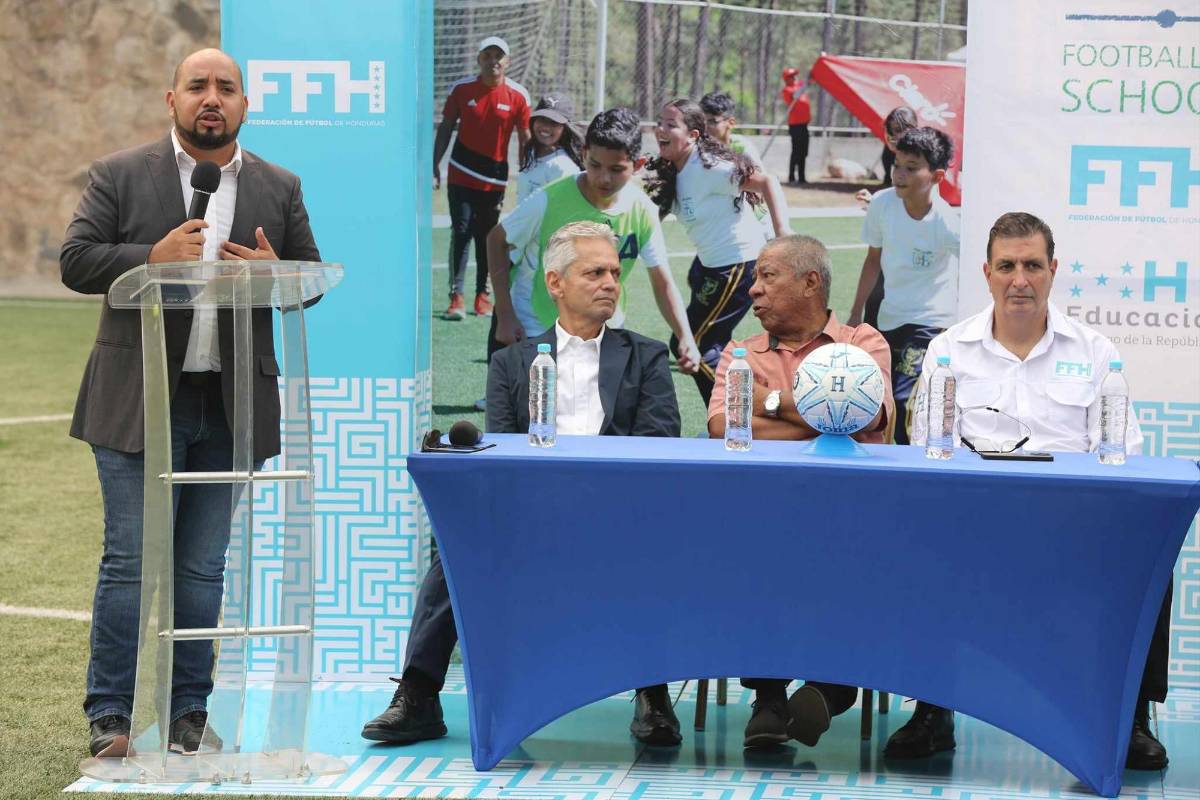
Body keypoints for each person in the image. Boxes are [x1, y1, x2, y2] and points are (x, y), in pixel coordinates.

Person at [59, 48, 322, 759]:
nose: (213, 98)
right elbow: (76, 260)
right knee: (130, 562)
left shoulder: (279, 185)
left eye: (226, 88)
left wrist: (279, 273)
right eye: (198, 86)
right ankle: (110, 717)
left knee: (204, 568)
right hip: (137, 401)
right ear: (170, 98)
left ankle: (187, 716)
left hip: (231, 407)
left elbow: (312, 278)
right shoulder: (120, 174)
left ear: (244, 105)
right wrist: (149, 257)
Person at [362, 221, 685, 747]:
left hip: (618, 514)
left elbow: (658, 442)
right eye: (594, 272)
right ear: (555, 283)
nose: (610, 282)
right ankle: (419, 696)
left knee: (646, 543)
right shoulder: (511, 362)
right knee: (455, 547)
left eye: (613, 272)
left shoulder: (645, 355)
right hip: (532, 517)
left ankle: (651, 696)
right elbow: (502, 453)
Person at [896, 212, 1168, 770]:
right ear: (986, 273)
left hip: (1071, 534)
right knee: (918, 551)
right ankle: (931, 709)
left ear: (1053, 271)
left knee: (1151, 566)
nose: (1019, 279)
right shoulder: (949, 350)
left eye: (1032, 266)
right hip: (971, 527)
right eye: (1007, 266)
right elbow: (926, 448)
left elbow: (1123, 454)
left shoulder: (1095, 351)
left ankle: (1132, 717)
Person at [707, 235, 894, 749]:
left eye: (768, 276)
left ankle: (825, 691)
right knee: (755, 550)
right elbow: (724, 423)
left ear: (811, 281)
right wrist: (822, 414)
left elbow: (868, 416)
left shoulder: (863, 344)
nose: (754, 289)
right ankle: (772, 696)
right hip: (764, 512)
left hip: (852, 516)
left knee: (852, 558)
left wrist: (765, 405)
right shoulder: (740, 350)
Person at [485, 107, 700, 375]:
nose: (603, 178)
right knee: (539, 413)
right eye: (595, 165)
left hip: (600, 330)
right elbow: (497, 240)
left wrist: (685, 336)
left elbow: (662, 280)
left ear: (638, 165)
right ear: (584, 154)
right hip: (536, 324)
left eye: (616, 169)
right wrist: (505, 314)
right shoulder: (550, 199)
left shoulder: (642, 210)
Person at [646, 99, 790, 406]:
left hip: (738, 265)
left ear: (693, 136)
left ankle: (745, 412)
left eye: (671, 124)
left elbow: (767, 182)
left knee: (694, 341)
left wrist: (783, 235)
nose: (661, 128)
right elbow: (650, 217)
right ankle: (753, 403)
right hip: (713, 266)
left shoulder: (708, 168)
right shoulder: (675, 172)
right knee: (709, 344)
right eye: (660, 121)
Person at [847, 127, 959, 445]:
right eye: (897, 165)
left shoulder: (947, 224)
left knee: (904, 397)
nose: (900, 174)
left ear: (937, 176)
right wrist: (856, 313)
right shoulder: (882, 205)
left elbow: (980, 267)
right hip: (889, 319)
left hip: (931, 322)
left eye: (912, 168)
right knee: (881, 402)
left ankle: (917, 467)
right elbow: (873, 260)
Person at [436, 35, 530, 320]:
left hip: (495, 178)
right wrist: (434, 164)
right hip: (461, 173)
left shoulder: (518, 95)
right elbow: (445, 128)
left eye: (498, 56)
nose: (493, 61)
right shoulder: (461, 89)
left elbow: (525, 139)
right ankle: (456, 297)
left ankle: (482, 297)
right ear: (479, 60)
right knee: (461, 231)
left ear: (507, 62)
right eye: (487, 56)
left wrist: (527, 173)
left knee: (487, 236)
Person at [854, 107, 918, 329]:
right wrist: (876, 204)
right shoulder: (894, 161)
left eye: (896, 134)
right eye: (890, 135)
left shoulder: (926, 162)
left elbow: (917, 203)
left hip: (913, 264)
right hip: (890, 260)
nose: (892, 140)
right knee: (875, 312)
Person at [517, 92, 583, 203]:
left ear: (565, 129)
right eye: (542, 119)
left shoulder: (563, 167)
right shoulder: (531, 153)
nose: (546, 127)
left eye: (554, 123)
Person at [699, 91, 763, 168]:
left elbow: (763, 177)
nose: (705, 127)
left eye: (712, 122)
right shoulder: (694, 150)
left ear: (731, 123)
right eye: (701, 121)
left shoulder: (743, 148)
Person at [779, 68, 812, 185]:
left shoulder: (798, 85)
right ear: (786, 79)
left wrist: (811, 74)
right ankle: (792, 177)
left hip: (804, 125)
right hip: (795, 126)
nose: (795, 78)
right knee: (796, 152)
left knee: (803, 152)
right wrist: (804, 85)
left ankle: (802, 177)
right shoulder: (787, 90)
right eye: (792, 76)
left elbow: (809, 80)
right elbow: (795, 95)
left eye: (795, 76)